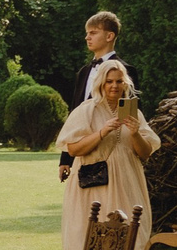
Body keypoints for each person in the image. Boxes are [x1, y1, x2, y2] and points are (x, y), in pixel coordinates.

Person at [57, 56, 160, 250]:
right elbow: (73, 148)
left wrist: (135, 132)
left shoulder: (133, 111)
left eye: (119, 82)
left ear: (126, 84)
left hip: (127, 184)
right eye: (109, 82)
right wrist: (101, 132)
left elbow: (145, 152)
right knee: (90, 244)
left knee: (123, 245)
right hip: (93, 189)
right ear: (101, 84)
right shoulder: (86, 110)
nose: (114, 86)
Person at [57, 10, 135, 186]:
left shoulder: (126, 71)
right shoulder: (84, 72)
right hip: (84, 150)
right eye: (87, 33)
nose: (87, 37)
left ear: (109, 36)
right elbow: (74, 115)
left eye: (93, 33)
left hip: (113, 152)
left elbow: (130, 113)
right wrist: (66, 159)